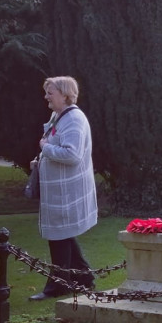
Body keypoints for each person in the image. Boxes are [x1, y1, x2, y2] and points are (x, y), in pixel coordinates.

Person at [29, 76, 98, 301]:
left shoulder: (74, 119)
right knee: (63, 235)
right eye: (46, 91)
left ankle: (57, 286)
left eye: (51, 92)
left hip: (67, 193)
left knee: (59, 237)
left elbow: (72, 154)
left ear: (65, 95)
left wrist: (46, 149)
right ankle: (84, 278)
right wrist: (41, 158)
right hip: (58, 192)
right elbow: (53, 145)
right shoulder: (58, 116)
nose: (46, 96)